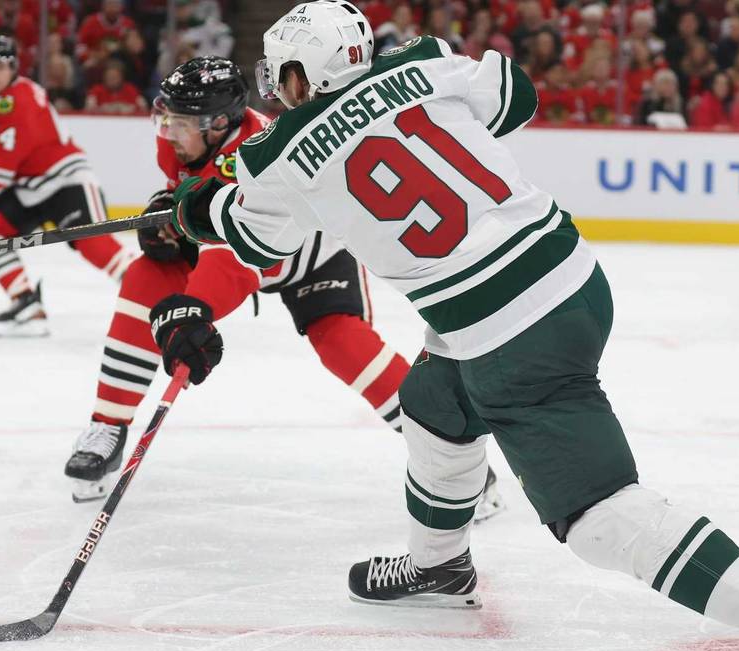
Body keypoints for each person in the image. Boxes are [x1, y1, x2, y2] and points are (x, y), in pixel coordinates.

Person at [157, 3, 739, 651]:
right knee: (433, 400)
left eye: (281, 73)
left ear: (301, 76)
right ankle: (439, 566)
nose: (276, 88)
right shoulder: (422, 61)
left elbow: (253, 237)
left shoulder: (280, 153)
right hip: (570, 277)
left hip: (508, 331)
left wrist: (193, 205)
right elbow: (514, 96)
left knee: (596, 513)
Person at [62, 55, 504, 520]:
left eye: (179, 122)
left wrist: (195, 308)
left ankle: (450, 463)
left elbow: (237, 259)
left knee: (344, 344)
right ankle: (106, 426)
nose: (167, 131)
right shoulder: (175, 141)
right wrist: (167, 215)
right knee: (144, 276)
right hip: (227, 239)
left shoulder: (259, 156)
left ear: (218, 126)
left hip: (308, 253)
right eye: (165, 117)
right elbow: (188, 196)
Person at [0, 37, 132, 337]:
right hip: (30, 187)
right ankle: (26, 302)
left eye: (1, 67)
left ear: (14, 68)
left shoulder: (19, 100)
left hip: (65, 181)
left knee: (95, 245)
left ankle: (153, 293)